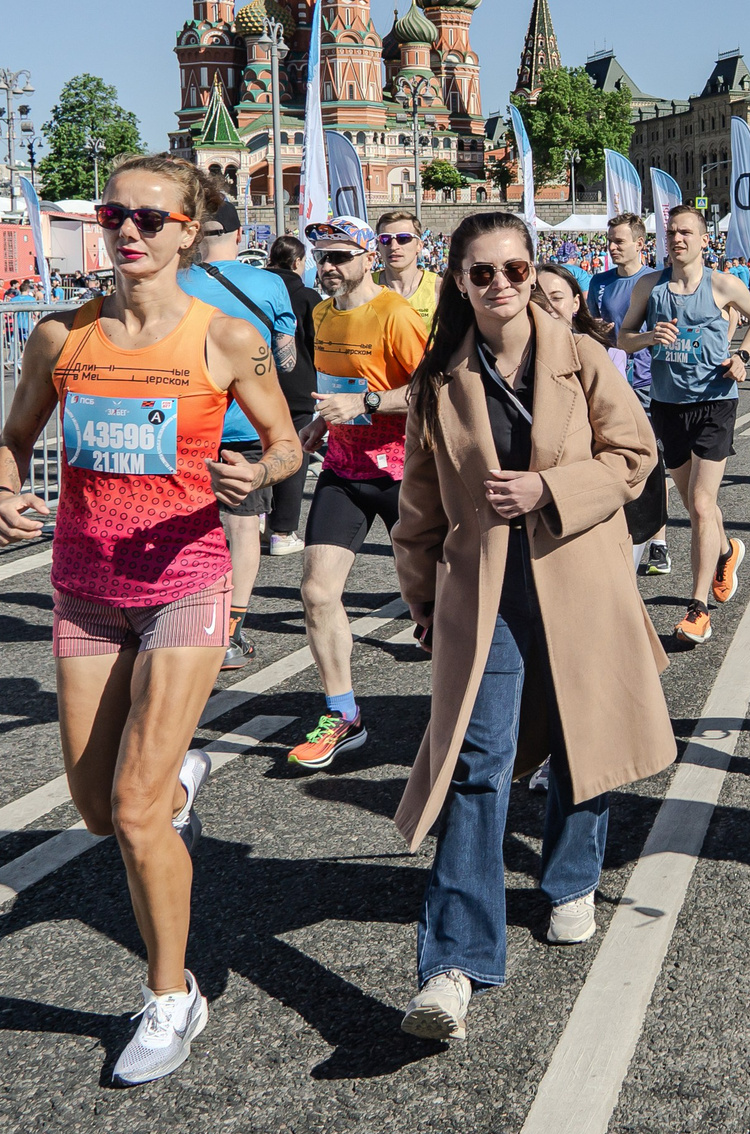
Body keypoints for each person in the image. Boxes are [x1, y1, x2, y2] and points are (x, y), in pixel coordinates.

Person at [0, 155, 304, 1084]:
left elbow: (284, 442)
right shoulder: (61, 336)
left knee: (131, 809)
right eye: (115, 212)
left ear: (188, 231)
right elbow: (12, 444)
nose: (129, 229)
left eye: (152, 218)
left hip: (186, 578)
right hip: (86, 584)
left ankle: (172, 994)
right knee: (93, 810)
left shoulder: (225, 338)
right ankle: (178, 788)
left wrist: (262, 473)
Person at [390, 211, 673, 1041]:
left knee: (589, 733)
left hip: (580, 577)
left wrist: (549, 490)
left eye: (516, 269)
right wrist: (422, 602)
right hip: (484, 596)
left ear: (532, 269)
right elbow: (419, 508)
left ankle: (571, 876)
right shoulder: (440, 381)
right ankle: (451, 963)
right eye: (483, 273)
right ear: (460, 282)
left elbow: (634, 454)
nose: (503, 285)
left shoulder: (580, 356)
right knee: (479, 761)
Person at [285, 216, 429, 770]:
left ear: (369, 257)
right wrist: (323, 425)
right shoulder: (320, 313)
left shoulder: (394, 315)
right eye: (322, 257)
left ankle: (474, 714)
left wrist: (367, 406)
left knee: (439, 609)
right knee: (318, 592)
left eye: (342, 256)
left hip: (404, 473)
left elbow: (430, 391)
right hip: (344, 470)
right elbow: (340, 388)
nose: (329, 268)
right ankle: (343, 715)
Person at [616, 206, 750, 646]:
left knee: (703, 504)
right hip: (668, 406)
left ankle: (698, 608)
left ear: (705, 240)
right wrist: (649, 338)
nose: (677, 238)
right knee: (691, 502)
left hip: (714, 403)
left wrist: (741, 357)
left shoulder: (722, 284)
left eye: (686, 232)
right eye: (671, 232)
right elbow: (623, 338)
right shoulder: (650, 286)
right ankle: (726, 551)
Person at [177, 199, 302, 668]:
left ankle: (178, 622)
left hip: (183, 420)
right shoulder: (269, 282)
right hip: (244, 423)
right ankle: (230, 632)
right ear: (238, 234)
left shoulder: (172, 281)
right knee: (243, 529)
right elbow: (285, 360)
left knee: (185, 524)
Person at [585, 213, 672, 577]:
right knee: (614, 460)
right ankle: (623, 535)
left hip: (648, 384)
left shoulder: (655, 281)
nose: (612, 247)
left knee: (651, 464)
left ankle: (659, 543)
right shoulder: (599, 283)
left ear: (640, 243)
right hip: (609, 385)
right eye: (610, 240)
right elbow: (587, 327)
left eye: (619, 241)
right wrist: (597, 329)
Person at [262, 235, 321, 554]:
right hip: (299, 387)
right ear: (299, 262)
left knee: (260, 451)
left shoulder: (256, 290)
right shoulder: (308, 296)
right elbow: (317, 345)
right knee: (294, 459)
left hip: (257, 384)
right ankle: (282, 532)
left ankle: (256, 519)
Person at [375, 209, 442, 332]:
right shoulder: (365, 285)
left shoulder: (439, 288)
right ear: (378, 245)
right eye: (385, 239)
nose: (394, 246)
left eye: (404, 238)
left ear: (419, 245)